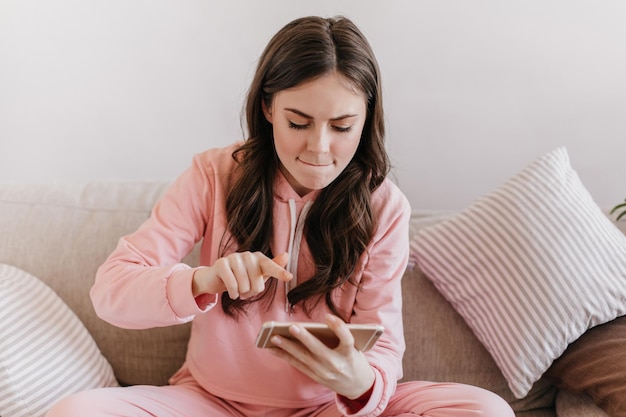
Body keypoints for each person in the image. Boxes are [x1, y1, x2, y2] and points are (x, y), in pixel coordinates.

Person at [46, 15, 514, 417]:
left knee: (487, 410)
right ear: (268, 107)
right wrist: (204, 281)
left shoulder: (384, 207)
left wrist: (359, 384)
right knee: (73, 412)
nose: (319, 148)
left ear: (367, 117)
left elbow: (386, 346)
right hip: (210, 403)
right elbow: (110, 291)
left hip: (328, 408)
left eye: (342, 126)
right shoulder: (214, 174)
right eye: (298, 122)